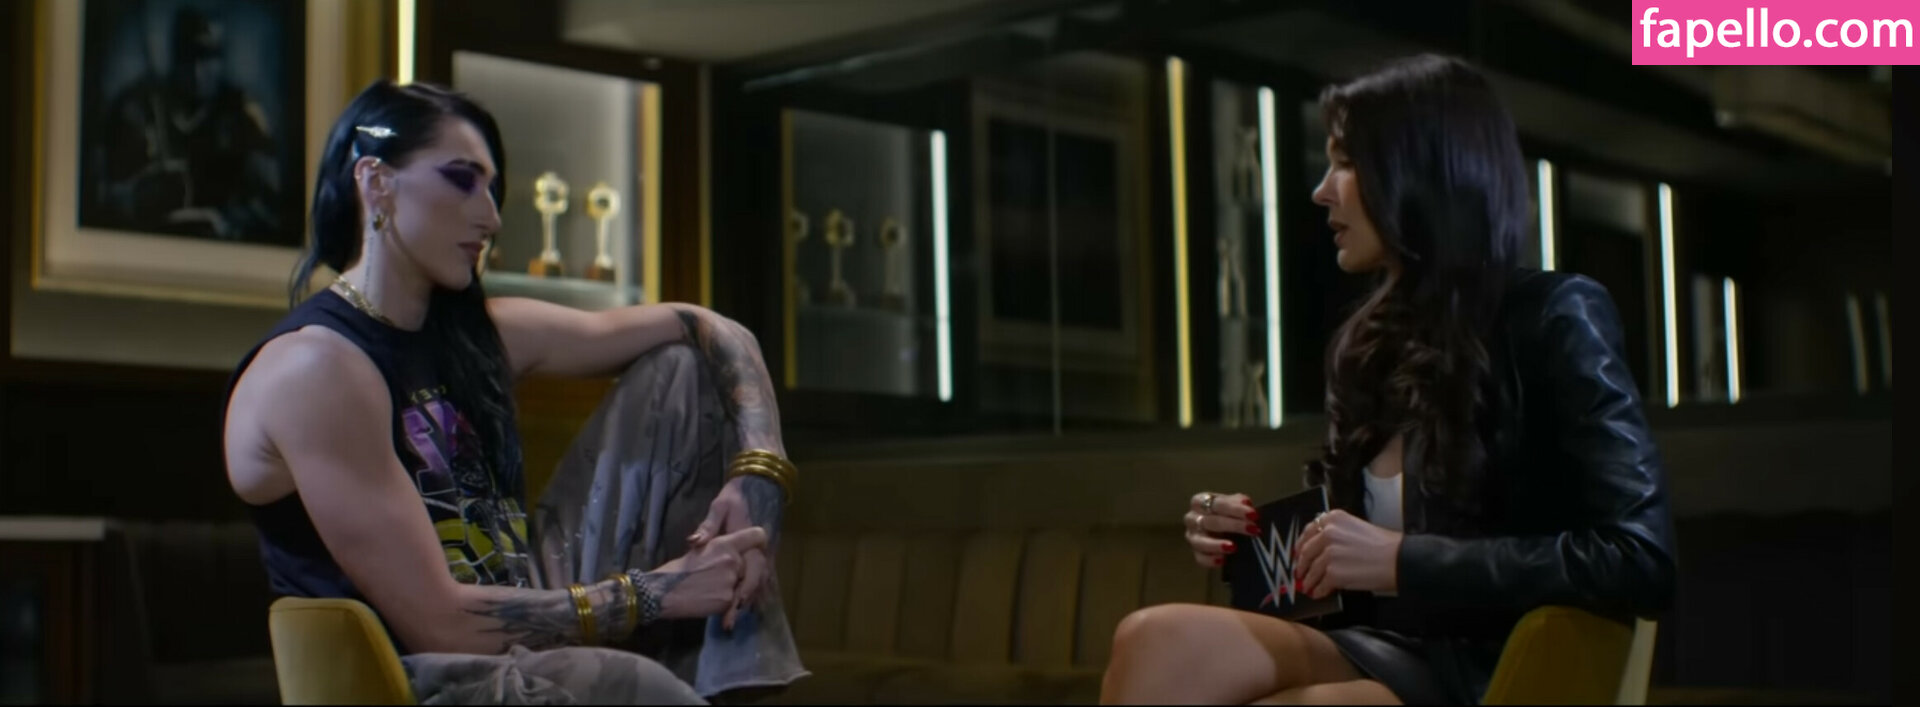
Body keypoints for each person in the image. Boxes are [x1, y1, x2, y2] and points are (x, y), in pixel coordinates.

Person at [1099, 54, 1677, 705]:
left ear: (1418, 169)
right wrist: (1254, 543)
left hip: (1489, 667)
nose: (1322, 191)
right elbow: (1352, 560)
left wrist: (1404, 560)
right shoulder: (1368, 346)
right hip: (1377, 644)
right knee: (1147, 638)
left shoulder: (1555, 314)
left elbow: (1640, 559)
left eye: (1346, 163)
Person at [222, 80, 805, 704]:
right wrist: (656, 592)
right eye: (462, 180)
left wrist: (760, 473)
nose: (492, 217)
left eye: (491, 189)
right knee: (641, 687)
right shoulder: (316, 368)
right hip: (417, 674)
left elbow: (706, 326)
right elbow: (439, 624)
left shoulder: (480, 335)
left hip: (521, 612)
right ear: (376, 181)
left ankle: (727, 685)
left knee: (685, 371)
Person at [90, 6, 285, 242]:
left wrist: (231, 217)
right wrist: (143, 194)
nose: (197, 69)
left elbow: (274, 204)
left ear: (222, 59)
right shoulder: (138, 107)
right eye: (189, 55)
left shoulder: (242, 113)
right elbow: (104, 199)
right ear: (174, 55)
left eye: (209, 56)